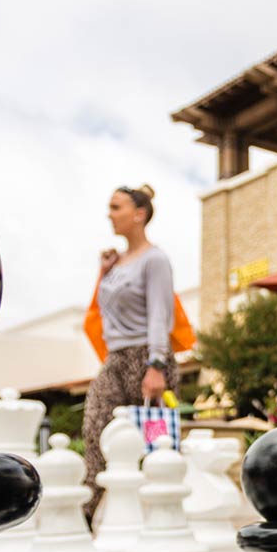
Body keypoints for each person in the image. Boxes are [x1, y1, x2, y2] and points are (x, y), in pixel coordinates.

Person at [80, 184, 194, 519]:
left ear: (139, 214)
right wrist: (104, 271)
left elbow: (161, 314)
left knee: (154, 441)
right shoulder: (115, 263)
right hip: (116, 359)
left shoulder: (155, 259)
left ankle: (165, 515)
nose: (110, 214)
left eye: (116, 207)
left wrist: (156, 364)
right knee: (95, 430)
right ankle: (86, 515)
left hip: (148, 359)